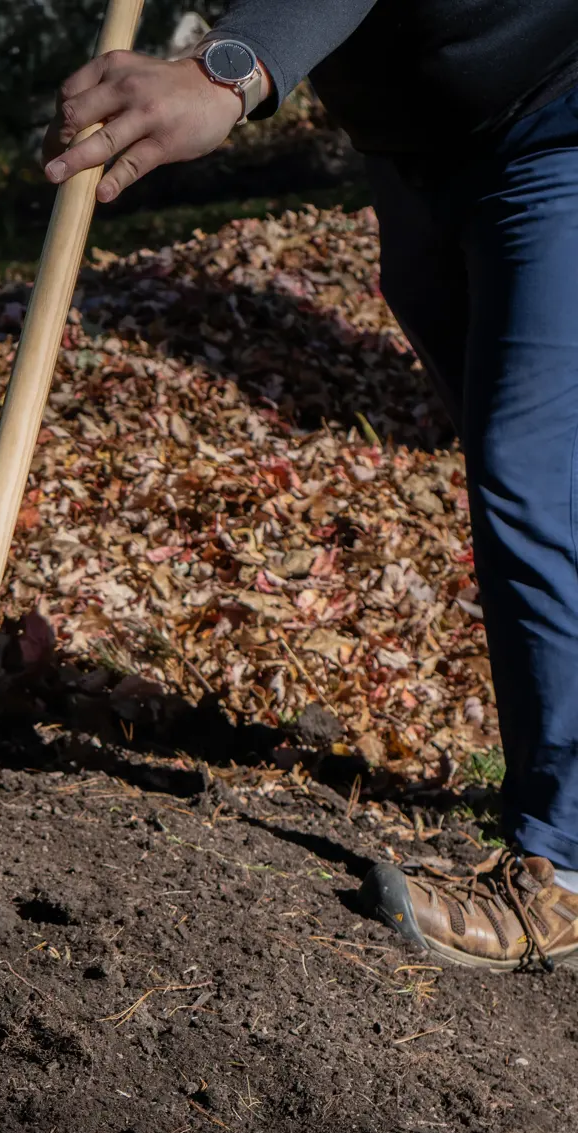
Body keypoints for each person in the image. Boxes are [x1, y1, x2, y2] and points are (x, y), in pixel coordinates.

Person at [44, 2, 578, 972]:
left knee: (531, 484)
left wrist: (227, 71)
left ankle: (565, 869)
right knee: (546, 485)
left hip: (558, 107)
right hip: (422, 152)